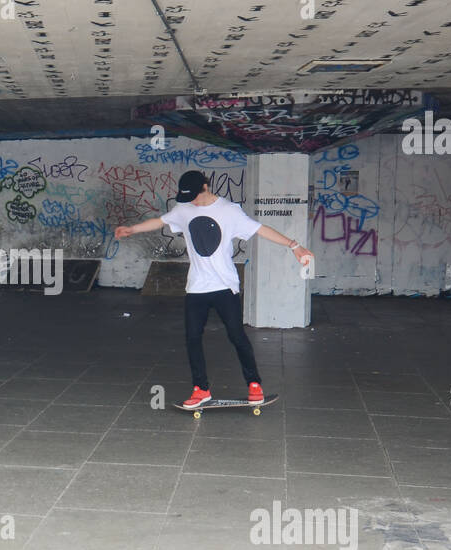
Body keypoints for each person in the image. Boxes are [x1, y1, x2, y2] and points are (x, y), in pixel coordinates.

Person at [115, 170, 313, 407]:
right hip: (197, 287)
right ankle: (201, 389)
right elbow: (160, 221)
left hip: (224, 286)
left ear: (206, 187)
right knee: (192, 338)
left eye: (196, 197)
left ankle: (254, 385)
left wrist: (294, 246)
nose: (193, 203)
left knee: (236, 335)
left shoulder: (230, 211)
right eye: (189, 199)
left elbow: (260, 229)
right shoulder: (184, 208)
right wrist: (132, 229)